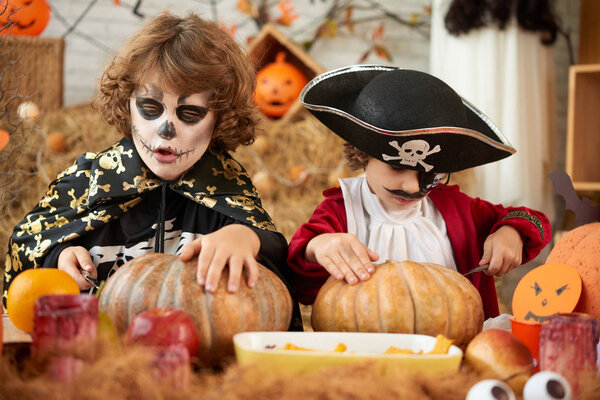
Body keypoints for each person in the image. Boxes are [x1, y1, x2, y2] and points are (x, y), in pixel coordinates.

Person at [3, 13, 301, 329]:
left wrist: (248, 237)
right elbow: (26, 251)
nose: (165, 130)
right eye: (150, 108)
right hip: (97, 354)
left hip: (195, 360)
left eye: (190, 113)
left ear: (219, 120)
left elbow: (276, 277)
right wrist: (59, 257)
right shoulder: (86, 181)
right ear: (128, 105)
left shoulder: (228, 189)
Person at [287, 65, 551, 318]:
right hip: (363, 352)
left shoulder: (459, 210)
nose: (412, 188)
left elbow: (532, 219)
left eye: (430, 175)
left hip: (453, 351)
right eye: (396, 168)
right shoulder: (341, 210)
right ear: (363, 153)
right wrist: (319, 247)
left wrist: (511, 232)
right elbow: (301, 280)